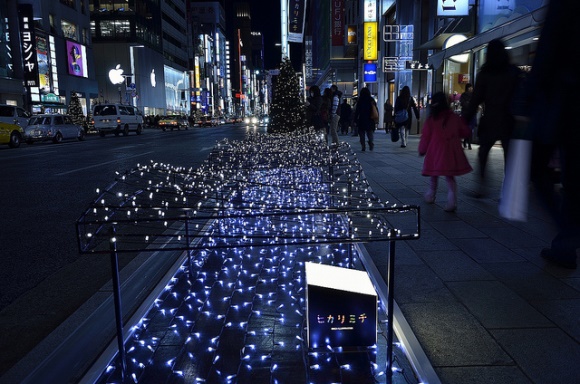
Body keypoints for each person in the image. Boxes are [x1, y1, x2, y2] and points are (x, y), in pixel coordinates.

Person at [526, 0, 580, 269]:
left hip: (566, 103)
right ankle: (566, 241)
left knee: (538, 171)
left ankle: (568, 237)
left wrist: (526, 99)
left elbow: (548, 51)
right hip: (566, 102)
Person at [463, 39, 521, 198]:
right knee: (510, 157)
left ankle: (482, 186)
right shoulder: (513, 72)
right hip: (509, 120)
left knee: (483, 154)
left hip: (490, 119)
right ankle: (509, 190)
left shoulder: (485, 74)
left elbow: (475, 100)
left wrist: (464, 120)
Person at [418, 92, 473, 212]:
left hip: (435, 151)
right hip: (451, 151)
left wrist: (422, 149)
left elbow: (426, 137)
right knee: (450, 176)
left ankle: (431, 194)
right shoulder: (454, 117)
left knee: (434, 173)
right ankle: (451, 200)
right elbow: (465, 131)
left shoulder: (431, 120)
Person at [353, 87, 376, 152]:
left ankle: (363, 146)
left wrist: (355, 120)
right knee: (370, 132)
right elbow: (375, 109)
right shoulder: (371, 99)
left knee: (361, 133)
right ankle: (371, 142)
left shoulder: (360, 100)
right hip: (370, 118)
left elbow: (357, 111)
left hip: (362, 119)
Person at [459, 83, 475, 150]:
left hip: (471, 113)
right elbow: (463, 103)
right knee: (467, 128)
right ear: (467, 88)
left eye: (472, 87)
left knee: (470, 128)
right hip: (465, 113)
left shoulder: (474, 95)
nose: (471, 88)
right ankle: (468, 143)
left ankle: (466, 142)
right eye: (470, 87)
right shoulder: (463, 95)